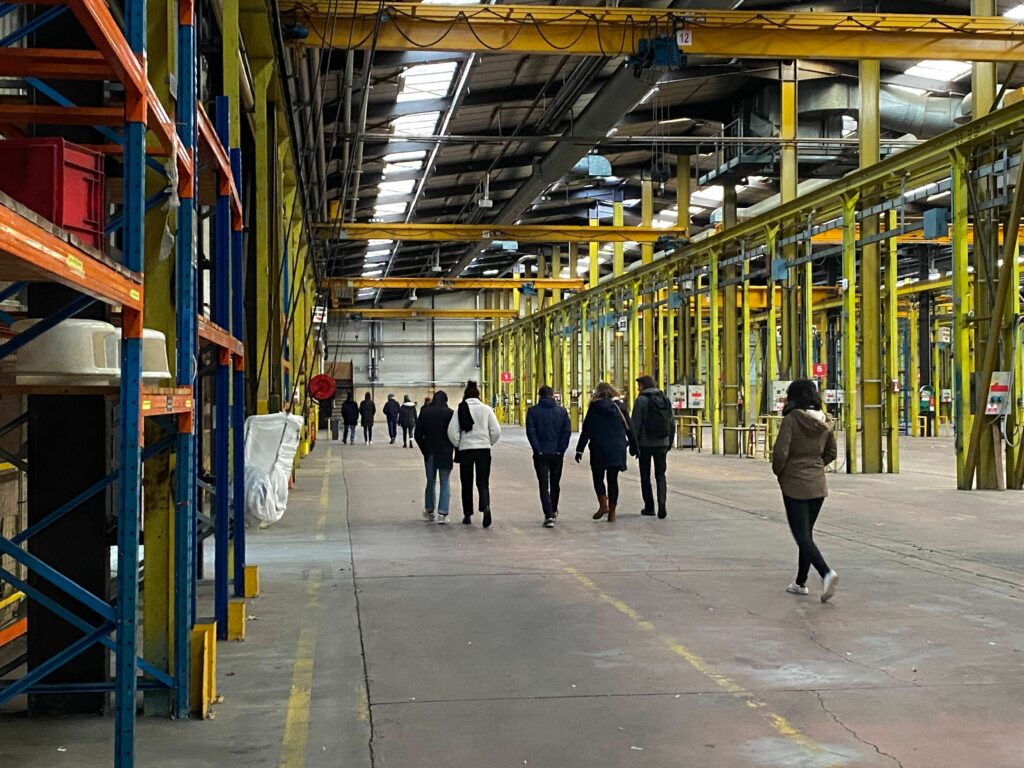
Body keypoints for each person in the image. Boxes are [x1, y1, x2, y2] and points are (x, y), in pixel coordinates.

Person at [771, 378, 840, 603]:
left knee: (800, 534)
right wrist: (816, 464)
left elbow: (781, 452)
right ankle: (800, 582)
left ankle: (826, 572)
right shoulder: (826, 422)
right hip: (818, 484)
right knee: (806, 534)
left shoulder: (792, 420)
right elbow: (832, 452)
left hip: (794, 483)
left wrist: (781, 471)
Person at [575, 382, 635, 523]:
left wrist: (579, 449)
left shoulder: (594, 407)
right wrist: (634, 447)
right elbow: (629, 428)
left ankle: (603, 504)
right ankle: (612, 512)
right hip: (617, 448)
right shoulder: (620, 407)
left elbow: (586, 430)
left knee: (598, 477)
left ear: (597, 393)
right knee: (613, 480)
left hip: (599, 448)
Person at [447, 381, 501, 527]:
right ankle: (486, 508)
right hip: (483, 450)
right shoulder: (487, 409)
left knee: (466, 482)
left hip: (466, 451)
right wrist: (487, 442)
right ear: (478, 395)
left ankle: (467, 514)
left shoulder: (460, 410)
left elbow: (452, 432)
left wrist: (460, 444)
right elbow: (496, 431)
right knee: (483, 482)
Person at [525, 385, 572, 528]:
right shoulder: (562, 412)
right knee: (555, 483)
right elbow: (566, 432)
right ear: (553, 396)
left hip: (541, 454)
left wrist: (537, 449)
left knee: (543, 485)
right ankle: (554, 509)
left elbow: (531, 432)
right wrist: (561, 450)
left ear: (539, 396)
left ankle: (548, 514)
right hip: (557, 454)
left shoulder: (532, 412)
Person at [631, 375, 674, 519]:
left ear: (643, 385)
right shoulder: (665, 399)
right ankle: (662, 504)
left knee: (645, 475)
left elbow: (635, 425)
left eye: (639, 385)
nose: (638, 388)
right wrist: (668, 442)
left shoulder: (641, 401)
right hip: (662, 442)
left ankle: (649, 507)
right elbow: (671, 423)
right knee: (660, 474)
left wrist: (633, 444)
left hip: (645, 444)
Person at [414, 391, 454, 523]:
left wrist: (424, 449)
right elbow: (454, 434)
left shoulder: (425, 412)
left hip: (430, 452)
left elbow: (417, 434)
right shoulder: (450, 414)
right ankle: (442, 513)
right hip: (445, 452)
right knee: (445, 482)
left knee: (430, 481)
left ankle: (429, 510)